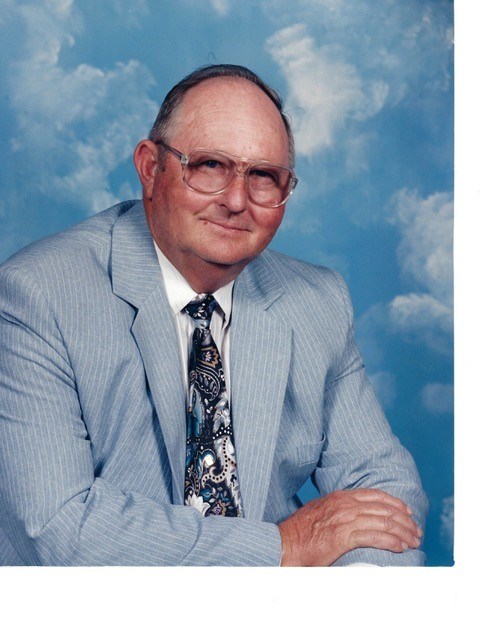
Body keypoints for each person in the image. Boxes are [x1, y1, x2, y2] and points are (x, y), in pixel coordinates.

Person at [0, 64, 428, 566]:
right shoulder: (38, 295)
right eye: (209, 166)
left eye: (263, 176)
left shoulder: (317, 302)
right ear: (150, 169)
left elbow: (384, 498)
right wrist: (284, 548)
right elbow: (58, 526)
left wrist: (357, 592)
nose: (236, 201)